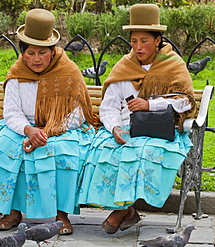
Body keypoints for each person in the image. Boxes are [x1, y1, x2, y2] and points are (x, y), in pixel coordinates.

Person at [0, 8, 99, 234]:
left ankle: (61, 215)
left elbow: (77, 114)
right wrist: (28, 130)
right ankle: (11, 210)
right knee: (4, 149)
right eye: (31, 53)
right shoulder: (17, 73)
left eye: (42, 53)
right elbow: (11, 113)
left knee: (62, 152)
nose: (36, 59)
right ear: (23, 53)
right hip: (23, 127)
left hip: (62, 128)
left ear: (52, 52)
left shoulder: (70, 72)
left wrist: (46, 132)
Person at [77, 4, 196, 234]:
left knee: (143, 151)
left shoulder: (173, 65)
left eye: (144, 41)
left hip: (161, 132)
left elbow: (186, 102)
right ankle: (128, 210)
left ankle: (121, 211)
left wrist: (150, 104)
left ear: (158, 40)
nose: (138, 47)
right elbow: (109, 106)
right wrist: (114, 128)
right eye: (134, 41)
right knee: (105, 149)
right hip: (126, 129)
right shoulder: (124, 66)